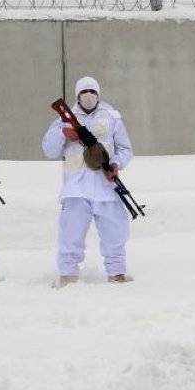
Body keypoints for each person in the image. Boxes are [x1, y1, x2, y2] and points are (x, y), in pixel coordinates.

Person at [41, 76, 135, 286]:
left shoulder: (112, 117)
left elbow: (125, 149)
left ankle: (117, 273)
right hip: (75, 187)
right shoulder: (64, 119)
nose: (88, 95)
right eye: (84, 92)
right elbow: (49, 150)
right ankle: (68, 275)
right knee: (71, 234)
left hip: (105, 185)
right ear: (77, 95)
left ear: (98, 94)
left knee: (115, 233)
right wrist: (62, 133)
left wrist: (116, 164)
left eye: (92, 91)